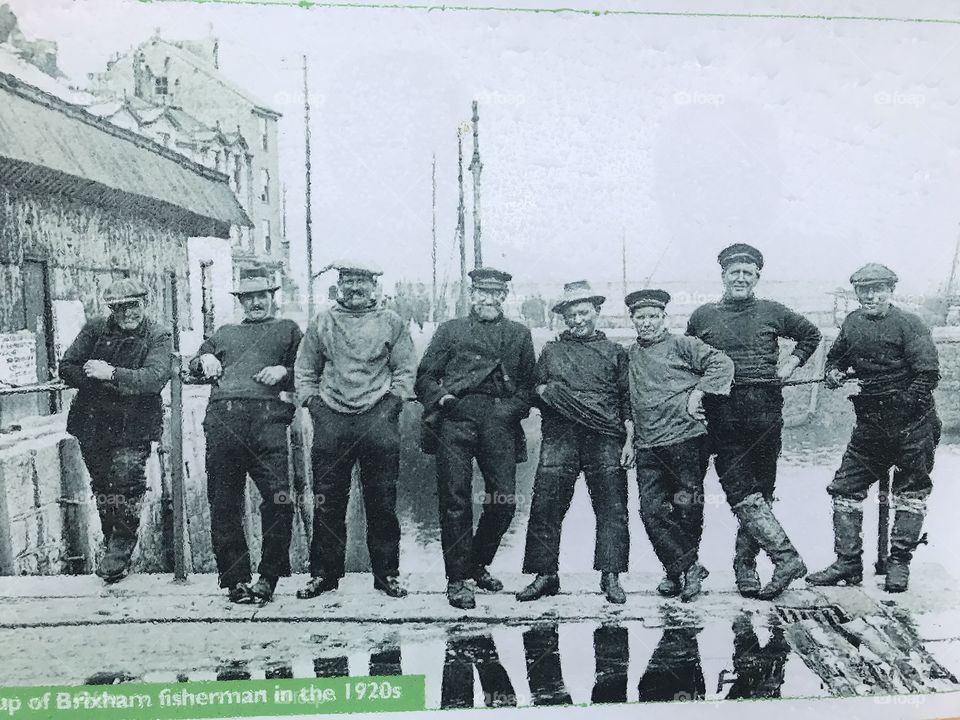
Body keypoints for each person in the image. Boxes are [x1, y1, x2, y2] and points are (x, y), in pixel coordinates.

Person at [686, 243, 821, 599]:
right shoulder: (703, 316)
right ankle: (783, 559)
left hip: (764, 413)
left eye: (748, 273)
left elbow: (811, 334)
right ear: (724, 276)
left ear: (757, 276)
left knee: (760, 492)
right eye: (735, 273)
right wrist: (695, 392)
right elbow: (687, 359)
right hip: (722, 415)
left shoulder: (772, 311)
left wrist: (790, 364)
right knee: (739, 491)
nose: (741, 278)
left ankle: (746, 566)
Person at [806, 263, 940, 593]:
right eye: (864, 290)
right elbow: (837, 358)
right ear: (856, 294)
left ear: (891, 291)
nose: (870, 296)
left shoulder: (910, 324)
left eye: (878, 289)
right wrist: (834, 372)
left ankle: (898, 563)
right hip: (870, 426)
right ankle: (848, 563)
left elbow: (928, 374)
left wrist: (902, 404)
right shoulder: (852, 323)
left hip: (914, 425)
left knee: (910, 494)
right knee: (844, 489)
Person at [294, 261, 417, 600]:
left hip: (378, 420)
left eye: (362, 282)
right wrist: (316, 407)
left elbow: (406, 370)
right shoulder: (323, 322)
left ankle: (386, 575)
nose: (355, 289)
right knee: (328, 501)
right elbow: (305, 371)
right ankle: (324, 575)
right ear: (339, 287)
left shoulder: (392, 323)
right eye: (348, 282)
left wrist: (389, 407)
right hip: (332, 419)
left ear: (374, 287)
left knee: (382, 501)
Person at [416, 266, 536, 609]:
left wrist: (509, 410)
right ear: (471, 295)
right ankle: (458, 580)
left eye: (496, 294)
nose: (489, 299)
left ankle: (477, 563)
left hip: (499, 421)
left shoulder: (519, 334)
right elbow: (425, 377)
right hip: (455, 418)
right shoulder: (450, 331)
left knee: (504, 501)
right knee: (454, 500)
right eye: (483, 292)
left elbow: (528, 386)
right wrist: (443, 399)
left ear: (504, 297)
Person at [189, 268, 303, 603]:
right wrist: (205, 358)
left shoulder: (288, 330)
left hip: (267, 422)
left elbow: (311, 371)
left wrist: (285, 371)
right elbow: (194, 365)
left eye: (261, 296)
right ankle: (235, 581)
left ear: (272, 297)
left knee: (280, 499)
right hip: (224, 421)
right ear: (241, 301)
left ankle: (268, 578)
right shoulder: (224, 332)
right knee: (224, 502)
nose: (255, 303)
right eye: (248, 297)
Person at [516, 281, 633, 604]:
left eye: (583, 313)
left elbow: (626, 400)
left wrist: (629, 440)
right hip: (560, 436)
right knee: (546, 505)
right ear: (563, 318)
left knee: (612, 507)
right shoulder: (551, 352)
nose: (578, 320)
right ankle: (545, 574)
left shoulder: (615, 353)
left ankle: (610, 575)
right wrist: (546, 393)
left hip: (605, 437)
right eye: (571, 315)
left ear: (596, 312)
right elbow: (534, 389)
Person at [59, 278, 171, 583]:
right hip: (92, 423)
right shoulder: (96, 329)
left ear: (144, 304)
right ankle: (113, 550)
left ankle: (121, 543)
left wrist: (110, 374)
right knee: (104, 486)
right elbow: (67, 365)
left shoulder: (158, 335)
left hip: (134, 424)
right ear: (111, 310)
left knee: (127, 480)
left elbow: (154, 377)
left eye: (132, 306)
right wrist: (100, 384)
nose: (127, 314)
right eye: (119, 308)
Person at [626, 289, 734, 602]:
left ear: (664, 318)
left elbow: (721, 363)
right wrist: (631, 439)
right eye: (640, 318)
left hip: (686, 441)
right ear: (632, 321)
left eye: (653, 317)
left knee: (687, 506)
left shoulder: (683, 345)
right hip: (648, 445)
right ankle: (688, 567)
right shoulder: (629, 354)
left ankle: (677, 573)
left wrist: (699, 393)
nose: (647, 323)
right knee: (651, 511)